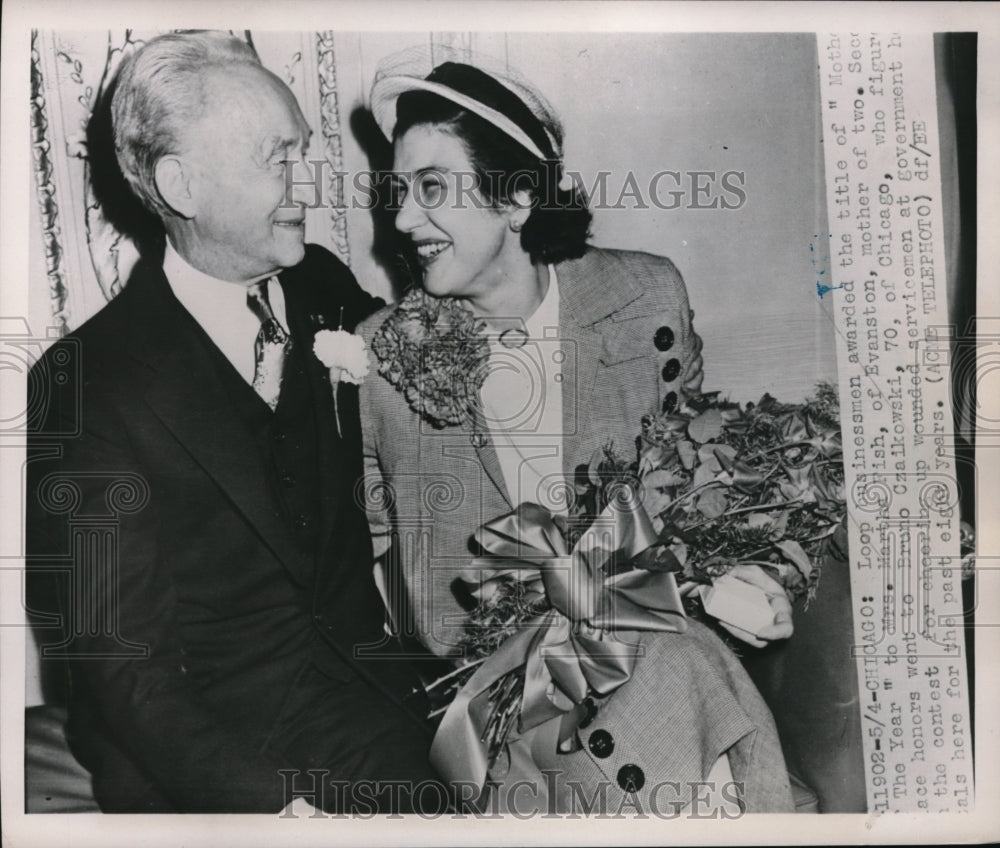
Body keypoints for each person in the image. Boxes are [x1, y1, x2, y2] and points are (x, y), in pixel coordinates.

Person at [358, 49, 797, 812]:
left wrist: (758, 578)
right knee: (673, 669)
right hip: (505, 697)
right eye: (399, 192)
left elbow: (702, 484)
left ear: (518, 197)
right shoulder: (379, 362)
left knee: (671, 661)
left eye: (432, 188)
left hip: (660, 645)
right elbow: (366, 568)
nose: (401, 220)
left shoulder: (643, 298)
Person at [26, 31, 443, 814]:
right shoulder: (87, 384)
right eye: (275, 157)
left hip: (373, 690)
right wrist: (275, 808)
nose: (309, 181)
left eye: (303, 151)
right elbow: (126, 669)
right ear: (181, 186)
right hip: (219, 748)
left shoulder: (322, 284)